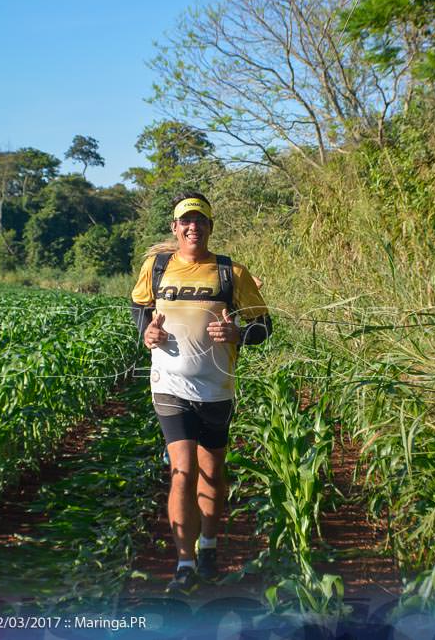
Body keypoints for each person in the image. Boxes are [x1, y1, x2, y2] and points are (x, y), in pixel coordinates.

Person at [130, 192, 272, 594]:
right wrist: (146, 332)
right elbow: (140, 309)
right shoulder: (156, 267)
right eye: (185, 221)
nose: (193, 227)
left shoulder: (231, 273)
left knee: (212, 470)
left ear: (211, 227)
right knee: (183, 470)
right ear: (175, 228)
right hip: (169, 386)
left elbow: (264, 327)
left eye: (201, 221)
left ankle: (208, 543)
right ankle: (185, 561)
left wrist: (237, 333)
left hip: (217, 388)